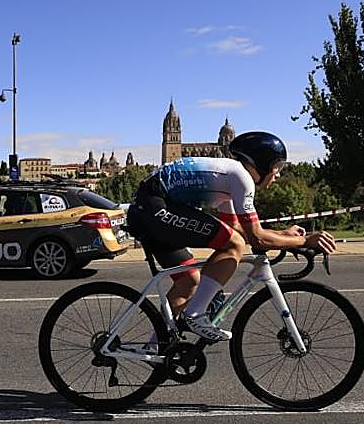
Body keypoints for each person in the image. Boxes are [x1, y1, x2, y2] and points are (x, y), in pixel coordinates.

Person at [124, 131, 336, 342]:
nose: (278, 174)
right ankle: (195, 315)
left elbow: (238, 227)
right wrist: (305, 241)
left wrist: (282, 234)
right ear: (261, 164)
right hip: (154, 208)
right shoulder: (241, 178)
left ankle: (156, 347)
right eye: (277, 167)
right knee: (234, 244)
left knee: (189, 282)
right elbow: (256, 239)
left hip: (149, 209)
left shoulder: (226, 177)